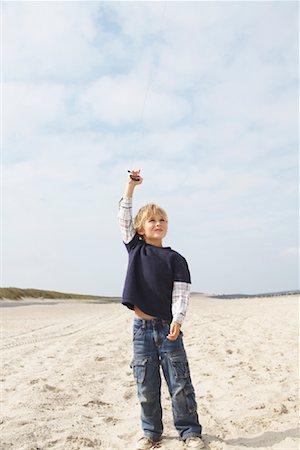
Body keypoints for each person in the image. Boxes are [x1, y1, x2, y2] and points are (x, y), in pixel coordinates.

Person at [118, 170, 205, 450]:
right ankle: (151, 433)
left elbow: (181, 293)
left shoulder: (175, 259)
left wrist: (178, 320)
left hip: (168, 329)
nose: (158, 223)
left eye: (162, 220)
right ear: (140, 228)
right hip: (141, 330)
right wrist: (131, 187)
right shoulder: (135, 249)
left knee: (180, 383)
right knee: (146, 386)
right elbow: (123, 215)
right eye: (152, 220)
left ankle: (189, 431)